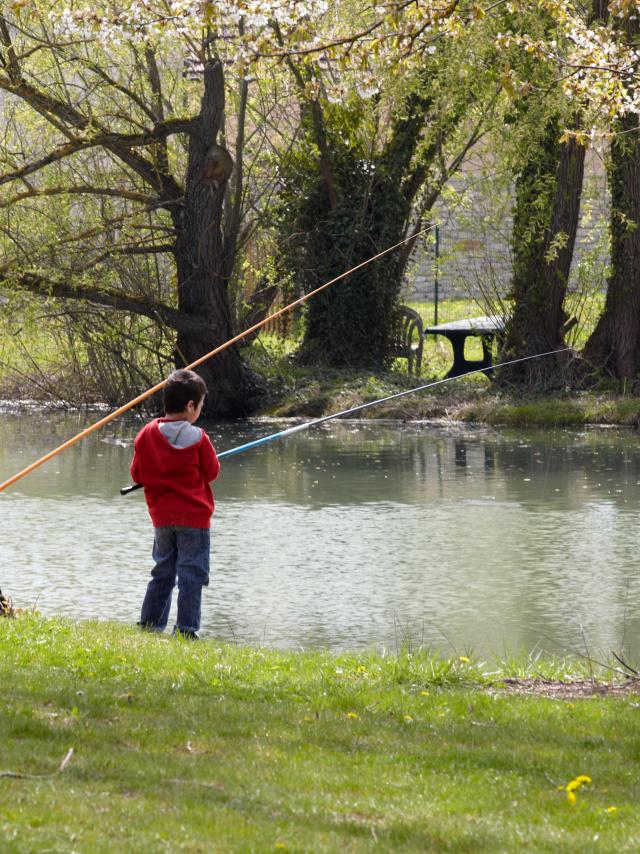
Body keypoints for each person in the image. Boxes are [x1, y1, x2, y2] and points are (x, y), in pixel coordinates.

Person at [130, 368, 220, 639]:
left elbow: (137, 475)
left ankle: (150, 625)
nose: (200, 411)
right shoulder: (200, 438)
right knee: (192, 575)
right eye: (200, 405)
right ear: (190, 406)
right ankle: (186, 630)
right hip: (194, 520)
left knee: (163, 573)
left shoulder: (145, 435)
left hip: (162, 520)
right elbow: (213, 472)